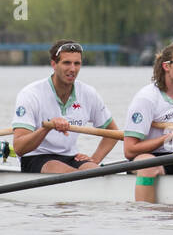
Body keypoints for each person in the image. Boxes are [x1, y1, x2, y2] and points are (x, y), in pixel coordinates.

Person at [11, 40, 117, 173]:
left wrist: (94, 159)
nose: (72, 69)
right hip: (36, 157)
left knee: (95, 171)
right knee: (71, 173)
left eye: (77, 63)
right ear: (54, 64)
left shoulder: (88, 93)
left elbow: (113, 133)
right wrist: (47, 128)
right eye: (67, 63)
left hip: (71, 157)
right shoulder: (31, 94)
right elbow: (19, 147)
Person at [123, 43, 173, 202]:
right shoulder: (146, 98)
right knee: (150, 166)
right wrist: (171, 136)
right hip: (147, 157)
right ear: (166, 66)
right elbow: (129, 150)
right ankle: (146, 216)